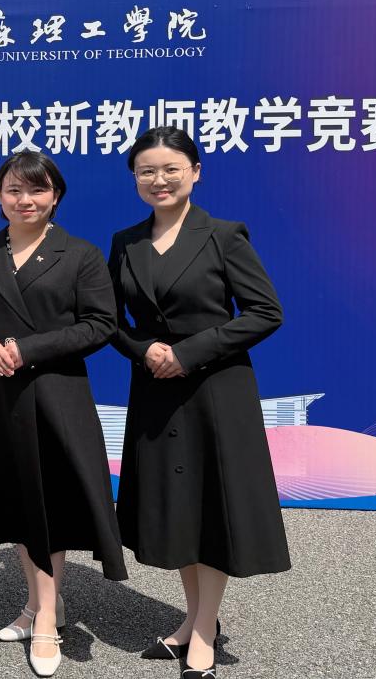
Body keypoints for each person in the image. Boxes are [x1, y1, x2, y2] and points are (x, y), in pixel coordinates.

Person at [0, 151, 125, 678]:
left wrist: (27, 349)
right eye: (14, 190)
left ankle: (43, 619)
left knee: (49, 504)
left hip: (55, 394)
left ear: (55, 196)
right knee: (19, 501)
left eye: (37, 190)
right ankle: (43, 603)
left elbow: (100, 324)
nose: (25, 200)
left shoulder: (79, 254)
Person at [107, 127, 290, 678]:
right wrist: (144, 351)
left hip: (215, 390)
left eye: (171, 169)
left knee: (211, 508)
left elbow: (265, 312)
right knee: (180, 509)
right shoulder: (126, 241)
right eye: (147, 171)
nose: (159, 180)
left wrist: (188, 353)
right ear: (135, 178)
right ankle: (192, 618)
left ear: (195, 172)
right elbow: (108, 320)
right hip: (156, 389)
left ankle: (204, 631)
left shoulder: (224, 236)